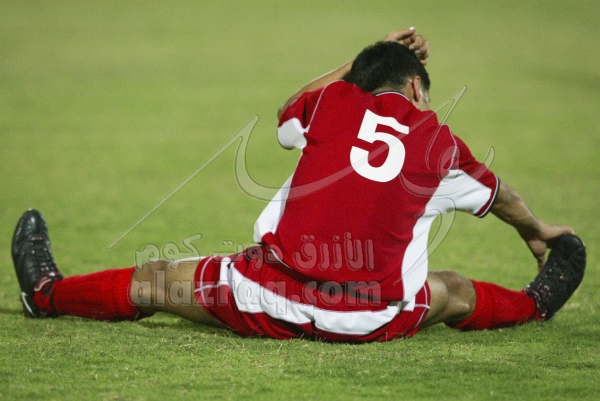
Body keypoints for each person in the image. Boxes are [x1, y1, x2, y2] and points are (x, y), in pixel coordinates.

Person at [11, 28, 586, 342]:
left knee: (153, 281)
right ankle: (533, 306)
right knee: (453, 290)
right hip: (370, 319)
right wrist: (536, 231)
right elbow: (502, 197)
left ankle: (46, 294)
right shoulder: (441, 142)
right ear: (416, 88)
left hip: (267, 296)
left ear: (357, 82)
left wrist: (356, 62)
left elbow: (288, 111)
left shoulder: (331, 101)